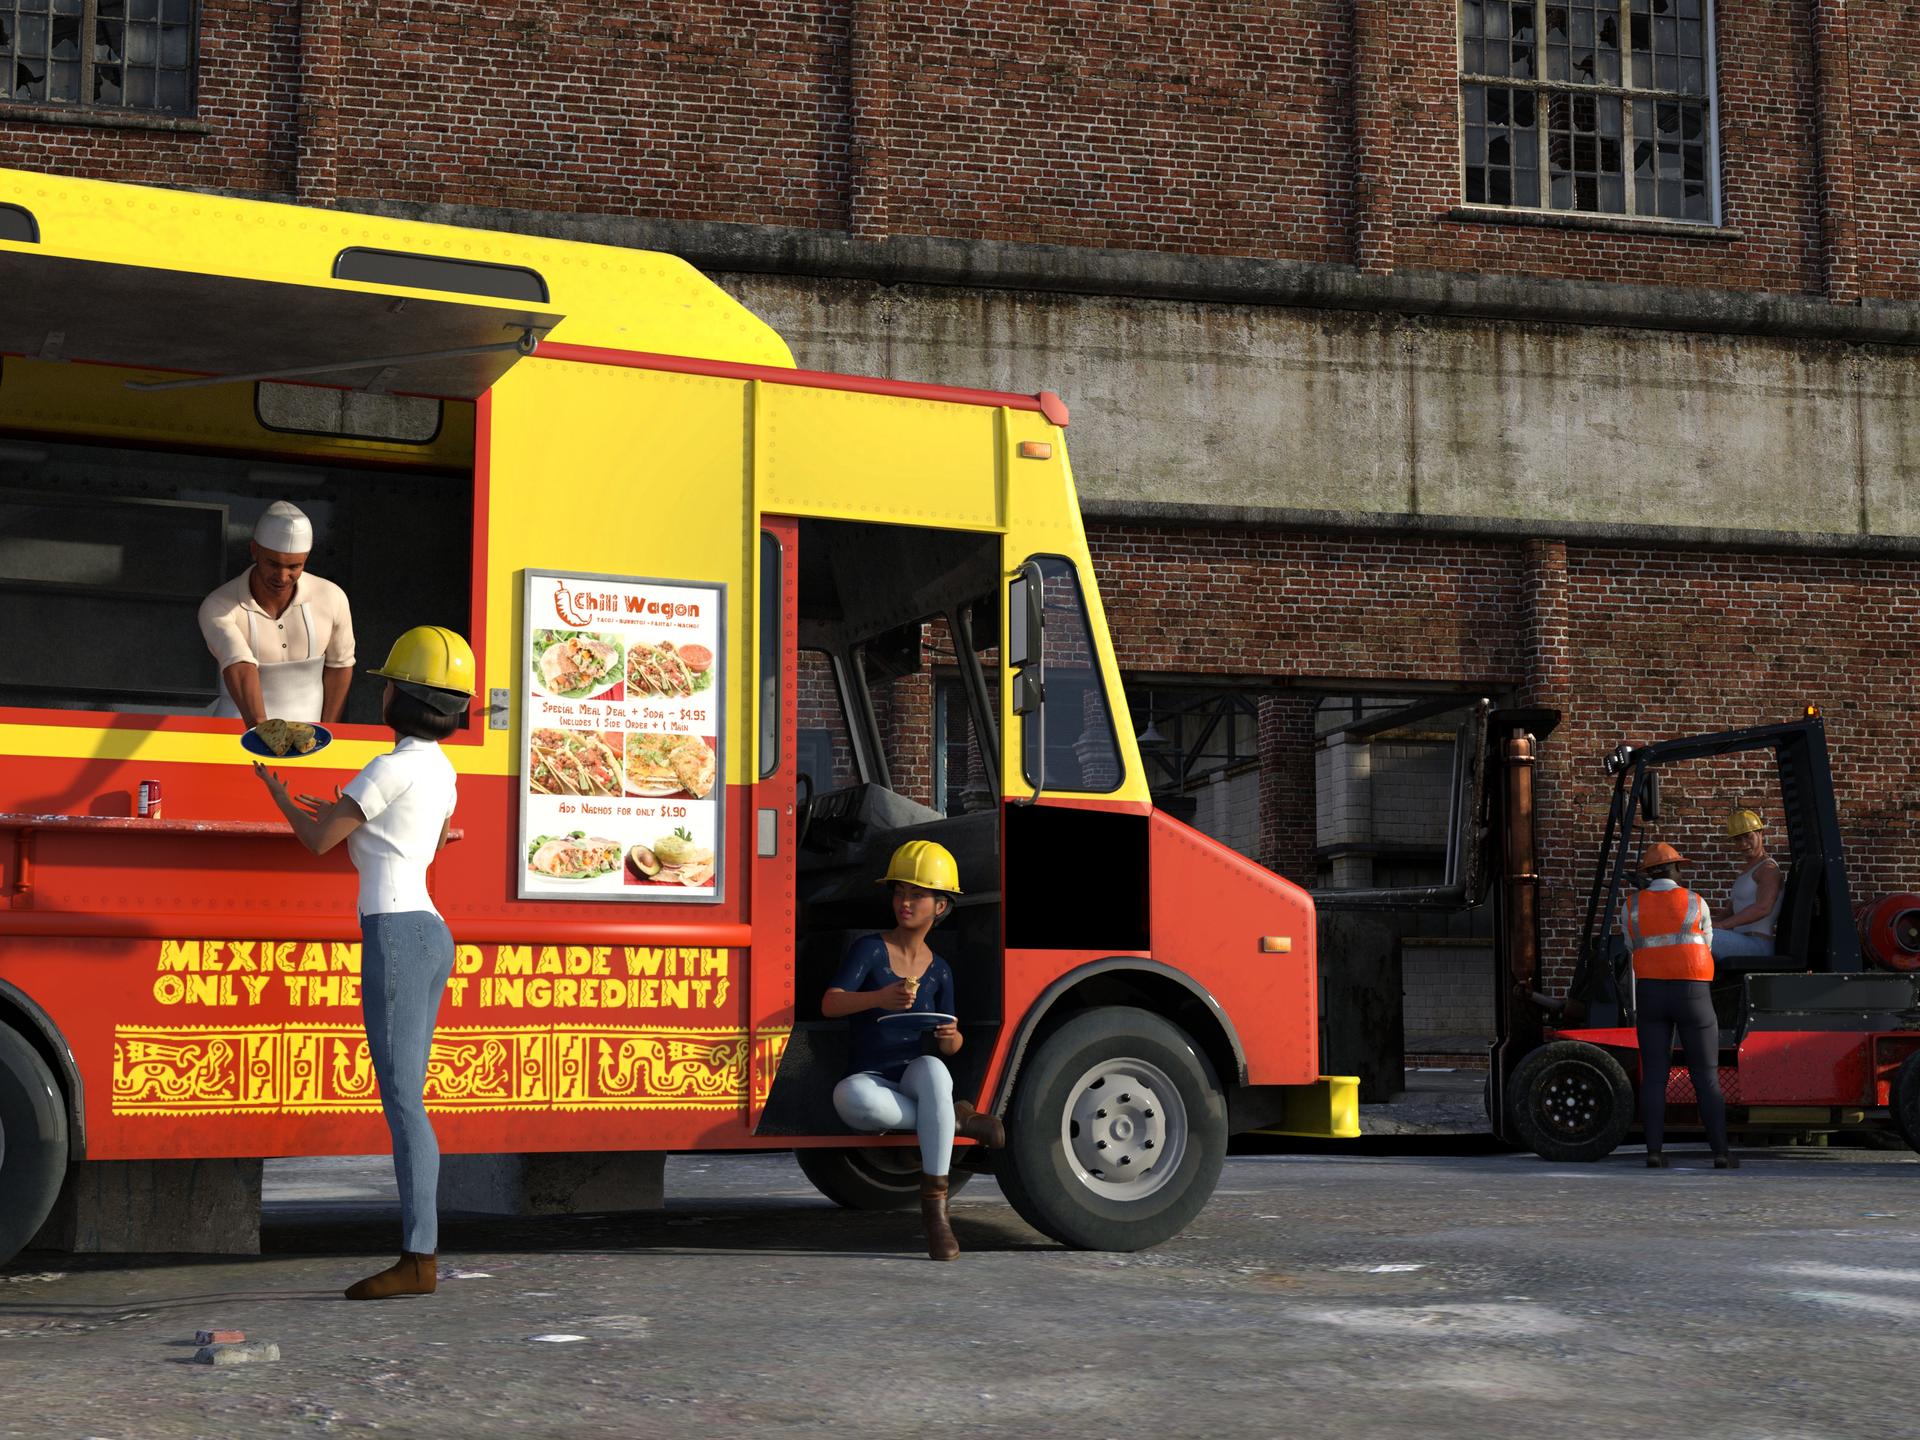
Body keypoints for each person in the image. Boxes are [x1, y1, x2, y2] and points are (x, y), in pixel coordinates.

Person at [252, 625, 473, 1298]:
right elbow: (429, 839)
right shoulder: (441, 769)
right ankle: (419, 1254)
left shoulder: (389, 766)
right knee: (412, 1099)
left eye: (386, 683)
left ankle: (419, 1258)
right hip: (432, 931)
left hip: (397, 934)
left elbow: (320, 840)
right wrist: (358, 823)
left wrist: (281, 795)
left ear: (400, 697)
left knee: (405, 1102)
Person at [822, 840, 1007, 1261]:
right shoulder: (870, 948)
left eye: (917, 894)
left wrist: (950, 1037)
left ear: (940, 907)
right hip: (871, 1079)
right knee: (851, 1100)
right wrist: (877, 999)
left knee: (936, 1072)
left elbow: (952, 1043)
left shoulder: (939, 968)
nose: (905, 902)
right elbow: (830, 1004)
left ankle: (936, 1214)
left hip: (914, 1073)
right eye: (899, 892)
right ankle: (955, 1118)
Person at [1622, 841, 1736, 1170]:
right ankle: (1721, 1153)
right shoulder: (1694, 901)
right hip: (1693, 993)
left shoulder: (1630, 906)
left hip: (1651, 993)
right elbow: (1708, 943)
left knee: (1655, 1077)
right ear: (1675, 870)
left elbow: (1631, 946)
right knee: (1706, 1077)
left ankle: (1654, 1153)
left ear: (1647, 874)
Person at [199, 500, 355, 727]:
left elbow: (340, 666)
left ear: (306, 560)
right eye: (273, 564)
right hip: (235, 734)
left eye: (294, 567)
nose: (282, 577)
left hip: (308, 739)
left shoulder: (332, 597)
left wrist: (328, 734)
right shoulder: (218, 605)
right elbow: (239, 664)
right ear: (254, 551)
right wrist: (262, 731)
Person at [1711, 807, 1784, 961]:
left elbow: (1763, 907)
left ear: (1760, 833)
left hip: (1757, 943)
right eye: (1738, 839)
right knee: (1691, 935)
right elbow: (1728, 912)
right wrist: (1701, 925)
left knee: (1696, 941)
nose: (1743, 844)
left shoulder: (1768, 868)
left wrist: (1722, 926)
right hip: (1740, 940)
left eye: (1747, 836)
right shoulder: (1747, 872)